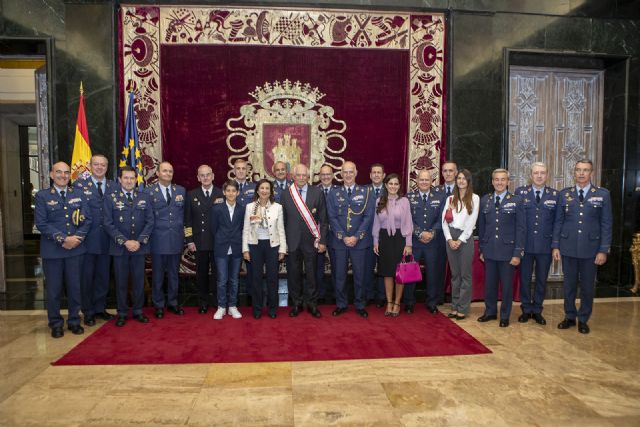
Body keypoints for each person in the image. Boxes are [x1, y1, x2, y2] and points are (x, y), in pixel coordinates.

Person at [553, 159, 612, 334]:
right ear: (574, 172)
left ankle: (584, 318)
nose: (581, 173)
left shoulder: (603, 194)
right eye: (578, 170)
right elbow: (558, 221)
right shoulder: (565, 194)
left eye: (585, 170)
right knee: (569, 285)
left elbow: (607, 223)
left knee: (587, 286)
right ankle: (569, 316)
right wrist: (556, 245)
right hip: (568, 246)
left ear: (591, 173)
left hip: (591, 249)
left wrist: (603, 249)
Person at [35, 161, 91, 338]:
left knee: (75, 287)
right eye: (59, 172)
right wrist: (63, 239)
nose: (63, 176)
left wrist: (76, 239)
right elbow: (41, 224)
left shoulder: (78, 194)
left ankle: (74, 320)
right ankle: (56, 323)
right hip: (53, 251)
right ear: (51, 175)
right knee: (54, 289)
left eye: (66, 173)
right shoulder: (43, 196)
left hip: (75, 249)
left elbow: (87, 220)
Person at [103, 166, 154, 326]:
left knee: (139, 281)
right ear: (119, 179)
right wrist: (125, 241)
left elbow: (150, 221)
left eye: (132, 178)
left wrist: (138, 241)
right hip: (120, 247)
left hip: (139, 247)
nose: (129, 181)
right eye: (126, 178)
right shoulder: (111, 198)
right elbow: (108, 223)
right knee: (121, 281)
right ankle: (122, 312)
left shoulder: (144, 197)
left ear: (136, 179)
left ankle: (138, 311)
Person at [327, 161, 375, 318]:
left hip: (359, 241)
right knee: (339, 275)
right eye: (344, 172)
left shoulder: (367, 192)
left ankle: (360, 304)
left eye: (350, 171)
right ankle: (341, 304)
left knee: (360, 275)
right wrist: (343, 236)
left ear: (356, 172)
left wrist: (356, 236)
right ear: (340, 174)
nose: (347, 175)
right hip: (340, 241)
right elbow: (332, 217)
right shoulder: (333, 193)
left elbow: (368, 216)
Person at [477, 168, 526, 327]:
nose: (499, 182)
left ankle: (505, 315)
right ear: (492, 182)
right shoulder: (486, 200)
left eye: (502, 179)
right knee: (489, 284)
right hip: (490, 250)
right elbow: (482, 227)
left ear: (508, 182)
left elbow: (521, 228)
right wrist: (482, 249)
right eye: (496, 179)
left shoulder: (517, 200)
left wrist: (517, 252)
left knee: (506, 286)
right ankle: (490, 312)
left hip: (508, 251)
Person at [73, 154, 117, 326]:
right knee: (87, 277)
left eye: (103, 165)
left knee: (103, 276)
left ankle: (100, 308)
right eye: (96, 164)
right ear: (90, 166)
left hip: (108, 239)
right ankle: (88, 311)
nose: (99, 167)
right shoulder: (79, 186)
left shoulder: (114, 186)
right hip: (87, 240)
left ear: (107, 167)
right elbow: (75, 214)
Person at [281, 164, 328, 318]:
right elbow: (283, 220)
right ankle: (296, 303)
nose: (301, 178)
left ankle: (312, 304)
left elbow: (323, 219)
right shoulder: (286, 193)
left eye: (304, 175)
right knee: (293, 274)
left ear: (308, 177)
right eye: (298, 175)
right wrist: (284, 242)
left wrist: (322, 241)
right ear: (293, 176)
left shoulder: (317, 192)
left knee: (312, 274)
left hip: (312, 242)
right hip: (292, 241)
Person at [515, 162, 559, 325]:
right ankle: (526, 309)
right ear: (530, 175)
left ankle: (537, 310)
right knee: (525, 278)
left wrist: (555, 245)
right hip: (525, 246)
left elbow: (557, 222)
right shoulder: (520, 193)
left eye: (542, 173)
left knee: (542, 279)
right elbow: (517, 221)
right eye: (536, 173)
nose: (539, 176)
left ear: (547, 175)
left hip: (545, 246)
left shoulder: (555, 195)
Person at [242, 179, 286, 319]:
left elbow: (281, 229)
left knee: (272, 279)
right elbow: (246, 229)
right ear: (257, 190)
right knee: (256, 278)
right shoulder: (250, 207)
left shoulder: (277, 207)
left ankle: (272, 308)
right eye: (262, 188)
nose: (265, 191)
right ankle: (257, 309)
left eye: (267, 188)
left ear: (271, 191)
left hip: (272, 246)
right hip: (255, 245)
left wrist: (282, 249)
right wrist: (245, 249)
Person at [147, 161, 187, 319]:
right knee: (157, 275)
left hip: (175, 239)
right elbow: (148, 217)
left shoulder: (181, 191)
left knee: (173, 274)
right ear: (157, 173)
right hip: (157, 240)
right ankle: (158, 304)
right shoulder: (149, 192)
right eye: (164, 171)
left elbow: (184, 216)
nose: (168, 174)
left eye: (170, 171)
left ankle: (173, 302)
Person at [372, 174, 413, 316]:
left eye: (396, 184)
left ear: (399, 186)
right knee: (387, 272)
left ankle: (397, 302)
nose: (393, 186)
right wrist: (375, 241)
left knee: (399, 273)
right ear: (386, 185)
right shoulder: (379, 201)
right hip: (385, 239)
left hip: (400, 238)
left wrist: (408, 244)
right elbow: (376, 222)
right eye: (391, 184)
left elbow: (408, 222)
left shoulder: (404, 202)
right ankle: (389, 302)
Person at [185, 165, 223, 314]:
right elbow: (187, 220)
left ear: (213, 176)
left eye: (208, 175)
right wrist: (189, 239)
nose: (205, 177)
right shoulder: (191, 195)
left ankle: (215, 300)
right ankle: (202, 301)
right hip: (198, 242)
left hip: (217, 241)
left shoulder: (222, 193)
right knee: (201, 273)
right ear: (198, 178)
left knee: (216, 273)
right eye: (202, 175)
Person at [441, 169, 479, 321]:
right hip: (451, 237)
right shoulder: (450, 199)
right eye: (459, 178)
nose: (461, 181)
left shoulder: (474, 198)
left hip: (465, 238)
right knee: (455, 275)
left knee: (465, 275)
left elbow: (471, 223)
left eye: (464, 178)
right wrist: (450, 239)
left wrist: (460, 240)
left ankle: (463, 308)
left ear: (469, 181)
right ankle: (455, 306)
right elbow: (444, 222)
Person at [405, 169, 445, 314]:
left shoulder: (440, 197)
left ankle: (432, 302)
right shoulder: (409, 197)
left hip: (432, 242)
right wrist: (419, 233)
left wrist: (431, 233)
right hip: (414, 242)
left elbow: (441, 219)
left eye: (426, 180)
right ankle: (409, 302)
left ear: (431, 181)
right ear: (416, 181)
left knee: (432, 273)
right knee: (410, 272)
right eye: (421, 180)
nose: (424, 182)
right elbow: (407, 219)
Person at [211, 180, 246, 320]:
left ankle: (232, 306)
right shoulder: (217, 209)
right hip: (221, 248)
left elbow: (244, 227)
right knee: (222, 279)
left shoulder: (242, 209)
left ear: (238, 193)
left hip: (236, 248)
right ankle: (221, 306)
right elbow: (213, 229)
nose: (231, 193)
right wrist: (222, 238)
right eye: (228, 191)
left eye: (234, 191)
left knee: (234, 279)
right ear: (224, 192)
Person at [365, 163, 386, 307]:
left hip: (385, 236)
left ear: (384, 175)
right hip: (367, 236)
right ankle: (368, 295)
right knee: (367, 267)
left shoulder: (391, 189)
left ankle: (381, 296)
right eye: (374, 173)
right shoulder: (364, 191)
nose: (377, 175)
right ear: (370, 175)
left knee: (384, 267)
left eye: (379, 173)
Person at [316, 164, 338, 303]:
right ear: (319, 176)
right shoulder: (314, 191)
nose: (325, 177)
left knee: (337, 266)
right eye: (323, 174)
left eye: (328, 174)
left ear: (333, 175)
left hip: (336, 234)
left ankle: (337, 294)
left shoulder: (339, 191)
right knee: (318, 266)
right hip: (318, 235)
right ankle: (319, 295)